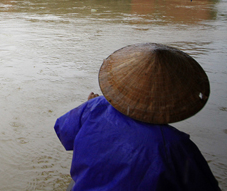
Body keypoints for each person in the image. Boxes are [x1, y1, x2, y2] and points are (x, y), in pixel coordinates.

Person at [55, 43, 220, 191]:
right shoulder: (176, 146)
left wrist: (90, 111)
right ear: (175, 98)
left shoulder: (96, 106)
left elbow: (64, 133)